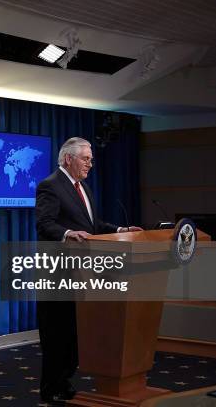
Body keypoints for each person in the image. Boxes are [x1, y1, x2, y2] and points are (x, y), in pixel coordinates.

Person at [34, 137, 142, 402]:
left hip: (82, 274)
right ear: (68, 159)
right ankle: (50, 390)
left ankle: (64, 382)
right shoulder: (50, 186)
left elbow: (93, 225)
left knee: (74, 334)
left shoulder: (83, 188)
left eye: (91, 159)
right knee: (56, 334)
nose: (90, 164)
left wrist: (119, 230)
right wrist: (68, 233)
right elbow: (44, 224)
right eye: (86, 158)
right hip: (58, 274)